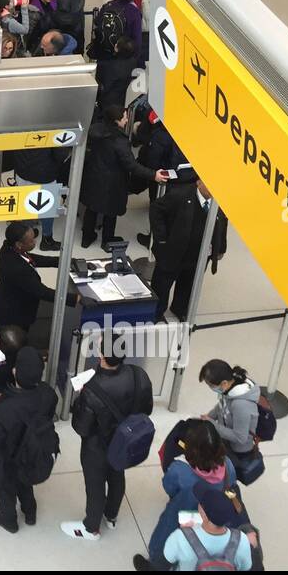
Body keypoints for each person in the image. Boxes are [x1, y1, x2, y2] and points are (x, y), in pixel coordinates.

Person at [61, 345, 153, 541]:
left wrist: (80, 400)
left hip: (97, 446)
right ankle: (111, 515)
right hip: (125, 441)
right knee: (117, 476)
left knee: (95, 486)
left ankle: (91, 527)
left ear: (102, 356)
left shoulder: (91, 389)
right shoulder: (139, 375)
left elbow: (82, 428)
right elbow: (147, 408)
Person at [135, 418, 236, 570]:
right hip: (210, 521)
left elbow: (169, 487)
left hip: (182, 513)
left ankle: (156, 564)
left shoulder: (180, 469)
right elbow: (232, 482)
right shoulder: (227, 464)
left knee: (166, 536)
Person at [0, 346, 59, 532]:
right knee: (25, 485)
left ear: (15, 372)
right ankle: (30, 513)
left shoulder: (6, 409)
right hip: (31, 454)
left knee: (6, 492)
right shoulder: (48, 394)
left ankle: (9, 521)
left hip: (8, 460)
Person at [81, 104, 168, 249]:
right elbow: (132, 165)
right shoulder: (120, 142)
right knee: (111, 212)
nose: (127, 120)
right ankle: (107, 240)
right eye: (125, 118)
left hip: (94, 176)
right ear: (116, 121)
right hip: (113, 182)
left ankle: (86, 238)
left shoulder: (95, 131)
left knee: (92, 208)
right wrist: (153, 175)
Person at [149, 179, 228, 322]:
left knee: (189, 284)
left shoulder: (220, 201)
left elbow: (222, 223)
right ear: (198, 182)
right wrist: (161, 238)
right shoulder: (180, 195)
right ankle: (156, 312)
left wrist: (220, 248)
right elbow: (156, 209)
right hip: (173, 252)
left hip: (199, 255)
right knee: (162, 284)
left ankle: (180, 309)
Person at [0, 222, 61, 335]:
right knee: (10, 341)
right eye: (31, 241)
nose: (35, 242)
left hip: (9, 302)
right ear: (19, 244)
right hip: (12, 312)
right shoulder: (18, 269)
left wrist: (59, 261)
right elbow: (42, 292)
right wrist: (73, 298)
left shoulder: (9, 248)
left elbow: (30, 259)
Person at [160, 486, 254, 571]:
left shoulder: (179, 538)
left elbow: (164, 562)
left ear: (203, 514)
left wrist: (185, 533)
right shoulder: (242, 540)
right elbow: (246, 567)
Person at [197, 359, 261, 461]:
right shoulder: (229, 389)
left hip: (238, 450)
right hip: (226, 435)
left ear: (224, 383)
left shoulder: (241, 405)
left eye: (211, 386)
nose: (211, 388)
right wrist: (209, 417)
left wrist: (213, 425)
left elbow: (240, 438)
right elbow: (221, 406)